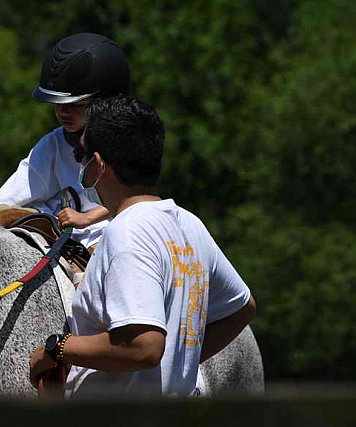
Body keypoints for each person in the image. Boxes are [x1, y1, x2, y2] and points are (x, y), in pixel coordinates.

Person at [29, 97, 256, 397]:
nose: (81, 166)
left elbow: (144, 347)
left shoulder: (126, 232)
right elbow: (242, 308)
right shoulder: (190, 225)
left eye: (83, 156)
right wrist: (180, 360)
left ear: (98, 166)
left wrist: (57, 349)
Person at [0, 32, 131, 248]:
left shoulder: (127, 143)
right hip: (65, 236)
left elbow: (133, 197)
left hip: (110, 235)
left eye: (76, 105)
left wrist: (87, 219)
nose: (63, 112)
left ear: (106, 101)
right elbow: (2, 204)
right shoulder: (53, 143)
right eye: (57, 103)